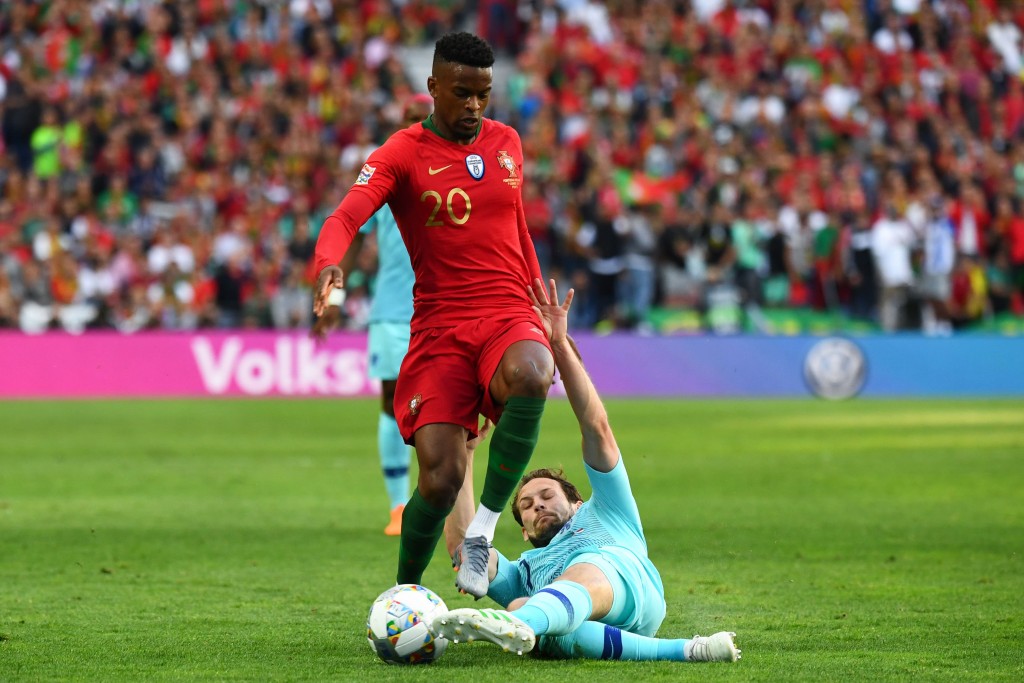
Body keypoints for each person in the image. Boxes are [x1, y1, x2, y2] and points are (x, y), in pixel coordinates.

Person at [312, 32, 554, 598]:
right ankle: (404, 594)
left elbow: (517, 227)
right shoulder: (400, 153)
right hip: (441, 326)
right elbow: (345, 218)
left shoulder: (507, 143)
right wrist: (328, 265)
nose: (473, 106)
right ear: (433, 88)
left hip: (506, 309)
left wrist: (538, 301)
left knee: (533, 373)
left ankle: (484, 533)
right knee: (442, 479)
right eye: (462, 93)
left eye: (484, 95)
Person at [429, 278, 741, 663]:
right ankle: (690, 650)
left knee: (574, 574)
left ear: (576, 502)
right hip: (579, 619)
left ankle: (525, 619)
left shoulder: (607, 512)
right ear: (524, 533)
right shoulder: (525, 570)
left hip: (629, 587)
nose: (538, 505)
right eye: (527, 506)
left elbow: (598, 428)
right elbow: (464, 548)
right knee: (525, 608)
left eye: (547, 496)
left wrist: (559, 345)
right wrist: (467, 451)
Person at [315, 94, 434, 536]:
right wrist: (333, 301)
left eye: (421, 120)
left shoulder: (454, 175)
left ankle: (440, 501)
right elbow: (355, 243)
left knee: (450, 409)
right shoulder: (387, 176)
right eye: (407, 120)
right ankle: (399, 506)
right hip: (391, 312)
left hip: (443, 311)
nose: (414, 126)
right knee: (392, 403)